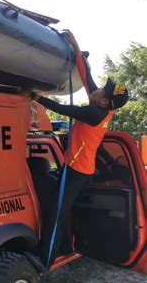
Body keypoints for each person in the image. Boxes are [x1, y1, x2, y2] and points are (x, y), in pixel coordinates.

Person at [26, 30, 129, 268]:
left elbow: (62, 110)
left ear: (104, 102)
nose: (97, 89)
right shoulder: (102, 104)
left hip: (77, 171)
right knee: (58, 207)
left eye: (103, 90)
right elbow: (87, 76)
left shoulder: (94, 113)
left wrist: (34, 96)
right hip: (75, 166)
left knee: (56, 211)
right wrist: (75, 46)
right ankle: (63, 246)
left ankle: (44, 259)